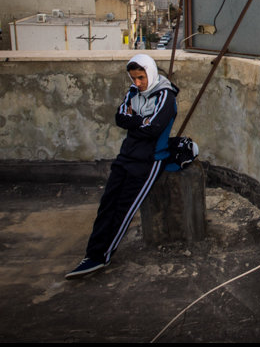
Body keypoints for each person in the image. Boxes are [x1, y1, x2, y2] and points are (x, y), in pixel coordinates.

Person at [65, 54, 179, 279]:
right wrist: (141, 122)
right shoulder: (133, 93)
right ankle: (92, 254)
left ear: (151, 73)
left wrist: (136, 121)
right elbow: (120, 118)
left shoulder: (165, 96)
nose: (137, 83)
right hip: (126, 156)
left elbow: (154, 129)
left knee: (124, 209)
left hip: (150, 160)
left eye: (141, 77)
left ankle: (102, 257)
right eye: (133, 77)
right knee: (107, 204)